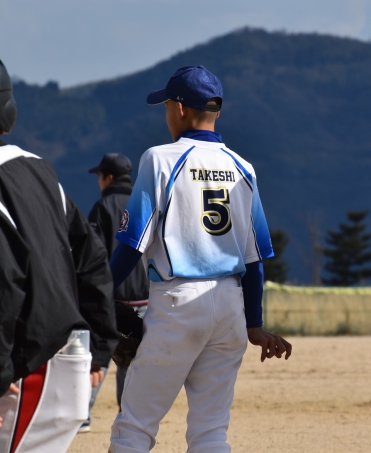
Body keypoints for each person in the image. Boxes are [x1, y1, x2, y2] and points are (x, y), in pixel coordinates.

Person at [108, 65, 292, 452]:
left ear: (178, 108)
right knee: (210, 432)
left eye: (166, 106)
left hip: (178, 302)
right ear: (216, 111)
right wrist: (255, 324)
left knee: (135, 426)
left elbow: (132, 245)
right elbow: (255, 261)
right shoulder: (243, 168)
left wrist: (98, 294)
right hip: (230, 307)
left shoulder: (160, 159)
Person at [0, 59, 118, 452]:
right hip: (62, 360)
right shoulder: (39, 170)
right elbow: (92, 260)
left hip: (25, 371)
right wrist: (99, 348)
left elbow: (5, 281)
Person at [80, 153, 150, 433]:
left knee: (99, 354)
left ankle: (83, 416)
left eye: (99, 176)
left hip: (113, 295)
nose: (99, 181)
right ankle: (129, 416)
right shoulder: (145, 202)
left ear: (108, 177)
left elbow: (93, 254)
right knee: (133, 361)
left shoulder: (102, 207)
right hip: (145, 294)